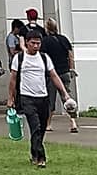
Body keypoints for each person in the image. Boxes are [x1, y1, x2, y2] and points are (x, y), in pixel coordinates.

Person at [7, 25, 71, 167]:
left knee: (41, 128)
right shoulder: (19, 58)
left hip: (43, 97)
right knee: (35, 126)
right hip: (26, 97)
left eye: (38, 43)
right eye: (33, 43)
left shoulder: (44, 58)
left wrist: (64, 94)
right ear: (27, 43)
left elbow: (54, 75)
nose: (36, 46)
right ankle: (41, 158)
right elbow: (12, 79)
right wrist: (11, 98)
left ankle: (34, 152)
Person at [42, 16, 79, 132]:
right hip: (65, 72)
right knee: (67, 97)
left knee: (50, 100)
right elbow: (70, 55)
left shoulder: (45, 41)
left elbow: (43, 58)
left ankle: (48, 124)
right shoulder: (64, 39)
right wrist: (71, 68)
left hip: (52, 74)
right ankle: (73, 123)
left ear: (47, 29)